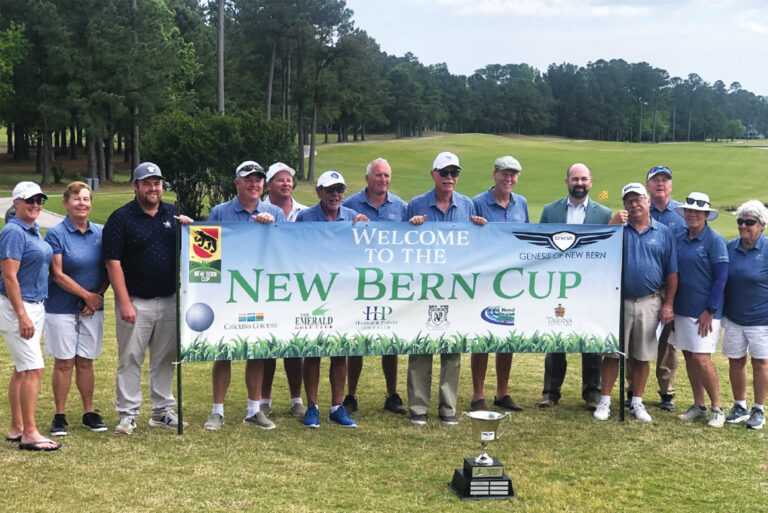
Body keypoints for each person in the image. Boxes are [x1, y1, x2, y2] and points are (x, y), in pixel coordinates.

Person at [102, 162, 193, 435]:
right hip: (135, 299)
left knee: (165, 357)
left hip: (168, 298)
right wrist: (125, 302)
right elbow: (112, 262)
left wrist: (190, 228)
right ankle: (128, 414)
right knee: (130, 357)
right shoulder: (121, 218)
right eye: (147, 183)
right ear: (135, 186)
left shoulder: (173, 213)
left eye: (157, 183)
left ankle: (162, 411)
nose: (153, 188)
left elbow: (196, 249)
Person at [203, 161, 287, 431]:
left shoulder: (275, 212)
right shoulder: (220, 212)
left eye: (258, 179)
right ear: (236, 183)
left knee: (257, 350)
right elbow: (206, 254)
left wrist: (271, 228)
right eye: (248, 179)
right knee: (224, 350)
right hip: (228, 293)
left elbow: (286, 252)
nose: (254, 184)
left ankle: (254, 409)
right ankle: (217, 411)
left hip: (262, 292)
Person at [406, 151, 487, 426]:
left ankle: (448, 408)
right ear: (434, 175)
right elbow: (402, 245)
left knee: (452, 349)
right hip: (424, 286)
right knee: (421, 347)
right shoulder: (416, 204)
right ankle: (418, 407)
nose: (450, 178)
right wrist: (411, 227)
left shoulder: (467, 205)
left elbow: (476, 246)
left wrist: (480, 228)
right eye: (445, 173)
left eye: (454, 173)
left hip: (456, 288)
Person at [538, 163, 625, 410]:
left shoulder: (604, 213)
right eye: (575, 179)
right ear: (566, 182)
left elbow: (608, 249)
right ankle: (551, 392)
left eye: (584, 179)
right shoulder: (550, 211)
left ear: (591, 182)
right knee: (555, 338)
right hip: (558, 286)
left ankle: (592, 393)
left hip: (591, 287)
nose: (579, 183)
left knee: (591, 339)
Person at [594, 183, 677, 422]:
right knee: (612, 354)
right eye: (628, 201)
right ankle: (605, 401)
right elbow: (598, 251)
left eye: (638, 199)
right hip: (618, 300)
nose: (634, 204)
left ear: (648, 202)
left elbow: (672, 273)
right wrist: (611, 227)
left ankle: (637, 402)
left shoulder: (663, 233)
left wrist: (669, 304)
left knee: (642, 355)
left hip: (650, 302)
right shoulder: (618, 230)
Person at [296, 170, 369, 428]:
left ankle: (337, 406)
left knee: (340, 352)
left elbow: (364, 252)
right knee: (314, 351)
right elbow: (294, 251)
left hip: (344, 294)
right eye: (330, 190)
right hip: (314, 293)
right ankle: (312, 406)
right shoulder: (305, 218)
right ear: (319, 192)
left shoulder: (352, 218)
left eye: (339, 190)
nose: (335, 195)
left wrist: (365, 230)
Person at [342, 158, 408, 415]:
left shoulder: (401, 207)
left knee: (390, 340)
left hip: (390, 282)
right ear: (368, 178)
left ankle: (392, 394)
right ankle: (351, 395)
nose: (383, 180)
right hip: (358, 282)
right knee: (356, 340)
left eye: (387, 176)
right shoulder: (350, 205)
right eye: (379, 176)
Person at [44, 181, 109, 436]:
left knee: (86, 362)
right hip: (60, 307)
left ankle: (88, 412)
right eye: (76, 199)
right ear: (65, 203)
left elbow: (110, 268)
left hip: (92, 309)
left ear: (91, 203)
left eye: (86, 199)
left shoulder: (101, 233)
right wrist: (86, 296)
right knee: (64, 362)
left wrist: (97, 297)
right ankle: (60, 416)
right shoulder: (56, 233)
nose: (81, 203)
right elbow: (57, 274)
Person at [0, 181, 59, 451]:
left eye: (39, 200)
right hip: (17, 307)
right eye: (30, 201)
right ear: (16, 203)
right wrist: (22, 315)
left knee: (22, 369)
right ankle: (30, 434)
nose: (36, 205)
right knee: (33, 368)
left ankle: (18, 427)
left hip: (34, 305)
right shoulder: (13, 231)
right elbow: (9, 277)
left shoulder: (33, 230)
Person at [469, 155, 528, 413]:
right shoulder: (478, 203)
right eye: (504, 173)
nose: (509, 178)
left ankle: (502, 392)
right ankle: (478, 394)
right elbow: (471, 241)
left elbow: (526, 237)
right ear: (494, 174)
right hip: (485, 280)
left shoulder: (521, 203)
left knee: (507, 337)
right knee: (482, 337)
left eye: (513, 174)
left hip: (512, 281)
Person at [671, 193, 728, 427]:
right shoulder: (679, 237)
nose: (693, 215)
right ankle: (699, 405)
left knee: (701, 359)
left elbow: (721, 277)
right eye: (689, 211)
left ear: (706, 215)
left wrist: (711, 309)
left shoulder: (715, 240)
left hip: (705, 312)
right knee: (689, 357)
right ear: (684, 213)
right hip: (682, 308)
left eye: (698, 212)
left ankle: (717, 408)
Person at [259, 162, 307, 419]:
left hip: (296, 287)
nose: (286, 184)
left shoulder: (305, 212)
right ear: (269, 185)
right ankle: (264, 400)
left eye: (289, 180)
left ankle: (296, 399)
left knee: (294, 346)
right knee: (267, 346)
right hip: (266, 286)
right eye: (280, 180)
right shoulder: (261, 210)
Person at [721, 200, 768, 430]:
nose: (743, 226)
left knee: (761, 364)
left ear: (762, 225)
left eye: (749, 222)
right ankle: (740, 405)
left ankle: (758, 409)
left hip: (761, 320)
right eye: (740, 221)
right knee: (736, 361)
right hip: (733, 317)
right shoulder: (731, 247)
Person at [641, 165, 683, 411]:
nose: (660, 183)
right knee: (637, 340)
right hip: (642, 288)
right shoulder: (639, 208)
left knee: (667, 344)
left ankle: (667, 392)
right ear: (647, 186)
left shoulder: (680, 213)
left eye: (665, 179)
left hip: (670, 287)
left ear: (671, 185)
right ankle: (632, 390)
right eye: (655, 180)